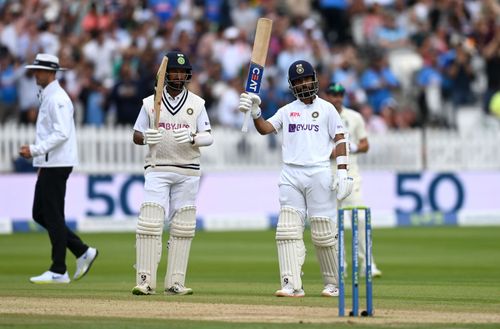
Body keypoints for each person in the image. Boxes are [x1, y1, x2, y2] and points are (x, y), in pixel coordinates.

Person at [238, 60, 353, 297]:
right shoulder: (288, 109)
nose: (303, 84)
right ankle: (291, 284)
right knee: (287, 231)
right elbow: (265, 128)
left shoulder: (328, 108)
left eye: (306, 79)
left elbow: (341, 139)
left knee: (323, 231)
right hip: (291, 173)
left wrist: (342, 171)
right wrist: (255, 112)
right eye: (298, 81)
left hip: (319, 171)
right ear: (292, 85)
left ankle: (333, 284)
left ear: (315, 79)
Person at [131, 51, 213, 295]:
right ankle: (145, 280)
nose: (178, 75)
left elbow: (209, 136)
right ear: (165, 76)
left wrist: (193, 137)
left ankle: (175, 282)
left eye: (182, 71)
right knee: (150, 222)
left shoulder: (197, 104)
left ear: (187, 74)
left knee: (183, 226)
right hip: (158, 167)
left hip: (188, 170)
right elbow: (136, 134)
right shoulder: (150, 102)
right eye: (173, 72)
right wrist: (145, 136)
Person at [19, 53, 98, 284]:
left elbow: (62, 133)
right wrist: (41, 161)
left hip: (58, 162)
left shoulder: (58, 99)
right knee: (40, 214)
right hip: (51, 162)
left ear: (51, 73)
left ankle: (58, 269)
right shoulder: (49, 96)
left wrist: (35, 150)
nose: (35, 74)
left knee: (52, 215)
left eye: (39, 70)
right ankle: (82, 251)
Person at [324, 83, 382, 278]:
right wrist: (336, 152)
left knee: (360, 218)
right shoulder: (320, 116)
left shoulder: (354, 117)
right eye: (332, 94)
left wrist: (353, 148)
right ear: (326, 95)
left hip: (351, 177)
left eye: (340, 94)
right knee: (332, 225)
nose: (337, 97)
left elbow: (365, 144)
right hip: (327, 177)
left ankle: (368, 264)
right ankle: (339, 266)